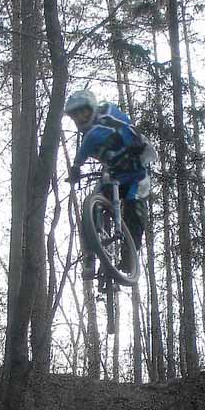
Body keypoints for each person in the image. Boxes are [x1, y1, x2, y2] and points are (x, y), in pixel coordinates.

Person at [64, 89, 153, 280]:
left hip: (135, 173)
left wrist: (135, 142)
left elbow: (128, 126)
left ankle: (129, 258)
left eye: (84, 113)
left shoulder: (108, 112)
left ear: (92, 108)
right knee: (93, 204)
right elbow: (81, 156)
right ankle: (90, 255)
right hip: (114, 176)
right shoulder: (89, 138)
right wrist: (75, 170)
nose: (81, 119)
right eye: (76, 116)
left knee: (135, 211)